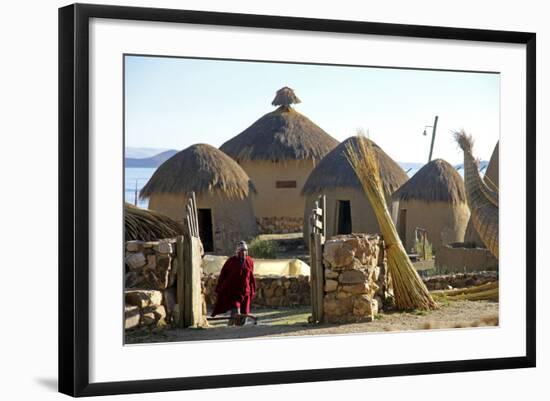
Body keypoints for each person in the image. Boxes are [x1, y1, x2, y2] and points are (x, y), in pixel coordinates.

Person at [211, 241, 256, 325]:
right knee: (235, 311)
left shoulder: (249, 261)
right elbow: (223, 275)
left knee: (244, 314)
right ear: (238, 251)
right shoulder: (231, 261)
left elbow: (251, 277)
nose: (243, 252)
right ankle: (231, 327)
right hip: (234, 292)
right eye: (241, 250)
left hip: (245, 292)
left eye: (245, 250)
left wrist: (252, 289)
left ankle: (240, 331)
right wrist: (220, 287)